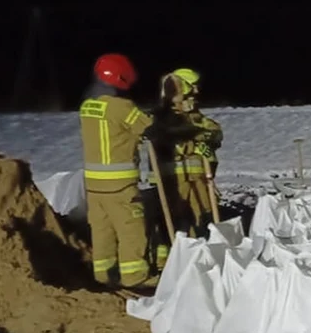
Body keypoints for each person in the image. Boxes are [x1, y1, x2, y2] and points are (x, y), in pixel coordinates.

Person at [78, 53, 155, 288]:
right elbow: (149, 129)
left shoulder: (87, 107)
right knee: (130, 228)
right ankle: (135, 276)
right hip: (120, 185)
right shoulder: (122, 107)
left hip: (93, 185)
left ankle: (103, 274)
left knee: (102, 230)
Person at [147, 68, 223, 247]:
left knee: (204, 217)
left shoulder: (194, 116)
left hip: (198, 179)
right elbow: (167, 138)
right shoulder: (159, 118)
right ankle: (173, 259)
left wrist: (206, 139)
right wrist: (193, 142)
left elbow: (214, 130)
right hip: (172, 180)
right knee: (176, 221)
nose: (196, 92)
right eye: (192, 88)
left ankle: (206, 252)